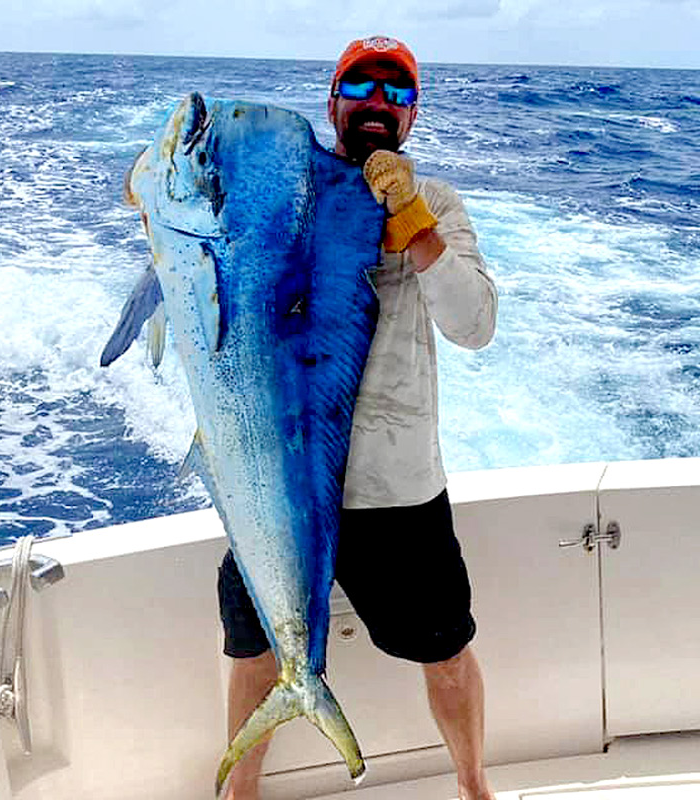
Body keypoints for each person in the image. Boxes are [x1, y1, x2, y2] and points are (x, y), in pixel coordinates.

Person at [218, 35, 498, 800]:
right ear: (333, 103)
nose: (379, 104)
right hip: (275, 474)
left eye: (397, 94)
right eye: (363, 89)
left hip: (394, 488)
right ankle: (241, 794)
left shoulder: (433, 201)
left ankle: (475, 789)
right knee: (253, 652)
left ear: (410, 118)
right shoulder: (283, 191)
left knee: (446, 652)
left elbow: (474, 325)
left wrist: (412, 218)